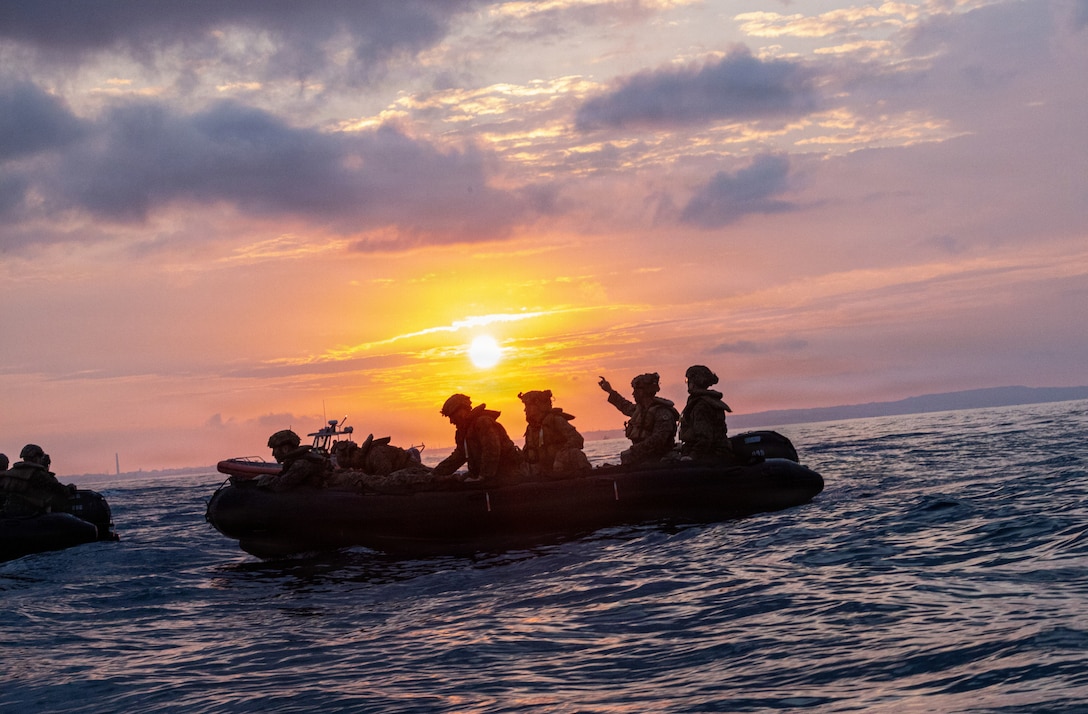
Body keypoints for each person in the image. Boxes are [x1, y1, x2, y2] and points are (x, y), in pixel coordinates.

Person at [431, 393, 523, 484]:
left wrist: (483, 477)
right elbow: (458, 456)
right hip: (487, 475)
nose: (451, 421)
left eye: (452, 416)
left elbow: (491, 450)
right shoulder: (463, 432)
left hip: (508, 474)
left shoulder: (483, 422)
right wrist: (435, 473)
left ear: (462, 410)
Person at [598, 373, 679, 465]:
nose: (633, 393)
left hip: (659, 458)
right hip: (643, 456)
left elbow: (658, 440)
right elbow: (625, 406)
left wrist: (634, 451)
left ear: (644, 391)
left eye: (636, 390)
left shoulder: (662, 412)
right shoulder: (640, 410)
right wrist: (610, 391)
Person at [518, 390, 591, 478]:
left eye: (528, 406)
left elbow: (577, 439)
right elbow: (528, 451)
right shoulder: (531, 429)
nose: (525, 410)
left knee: (575, 453)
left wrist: (561, 455)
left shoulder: (556, 420)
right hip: (544, 471)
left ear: (538, 406)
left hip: (563, 467)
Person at [0, 444, 75, 516]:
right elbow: (57, 488)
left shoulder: (12, 472)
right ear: (36, 458)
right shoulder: (37, 474)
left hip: (12, 512)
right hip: (31, 513)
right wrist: (70, 488)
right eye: (40, 457)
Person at [678, 365, 734, 462]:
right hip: (715, 453)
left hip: (710, 456)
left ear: (694, 382)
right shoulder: (709, 401)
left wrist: (692, 456)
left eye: (687, 380)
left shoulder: (701, 406)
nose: (687, 383)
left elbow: (704, 437)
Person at [255, 429, 328, 492]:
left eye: (275, 449)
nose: (273, 454)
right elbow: (282, 476)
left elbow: (281, 485)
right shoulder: (292, 461)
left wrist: (262, 479)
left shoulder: (301, 464)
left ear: (285, 449)